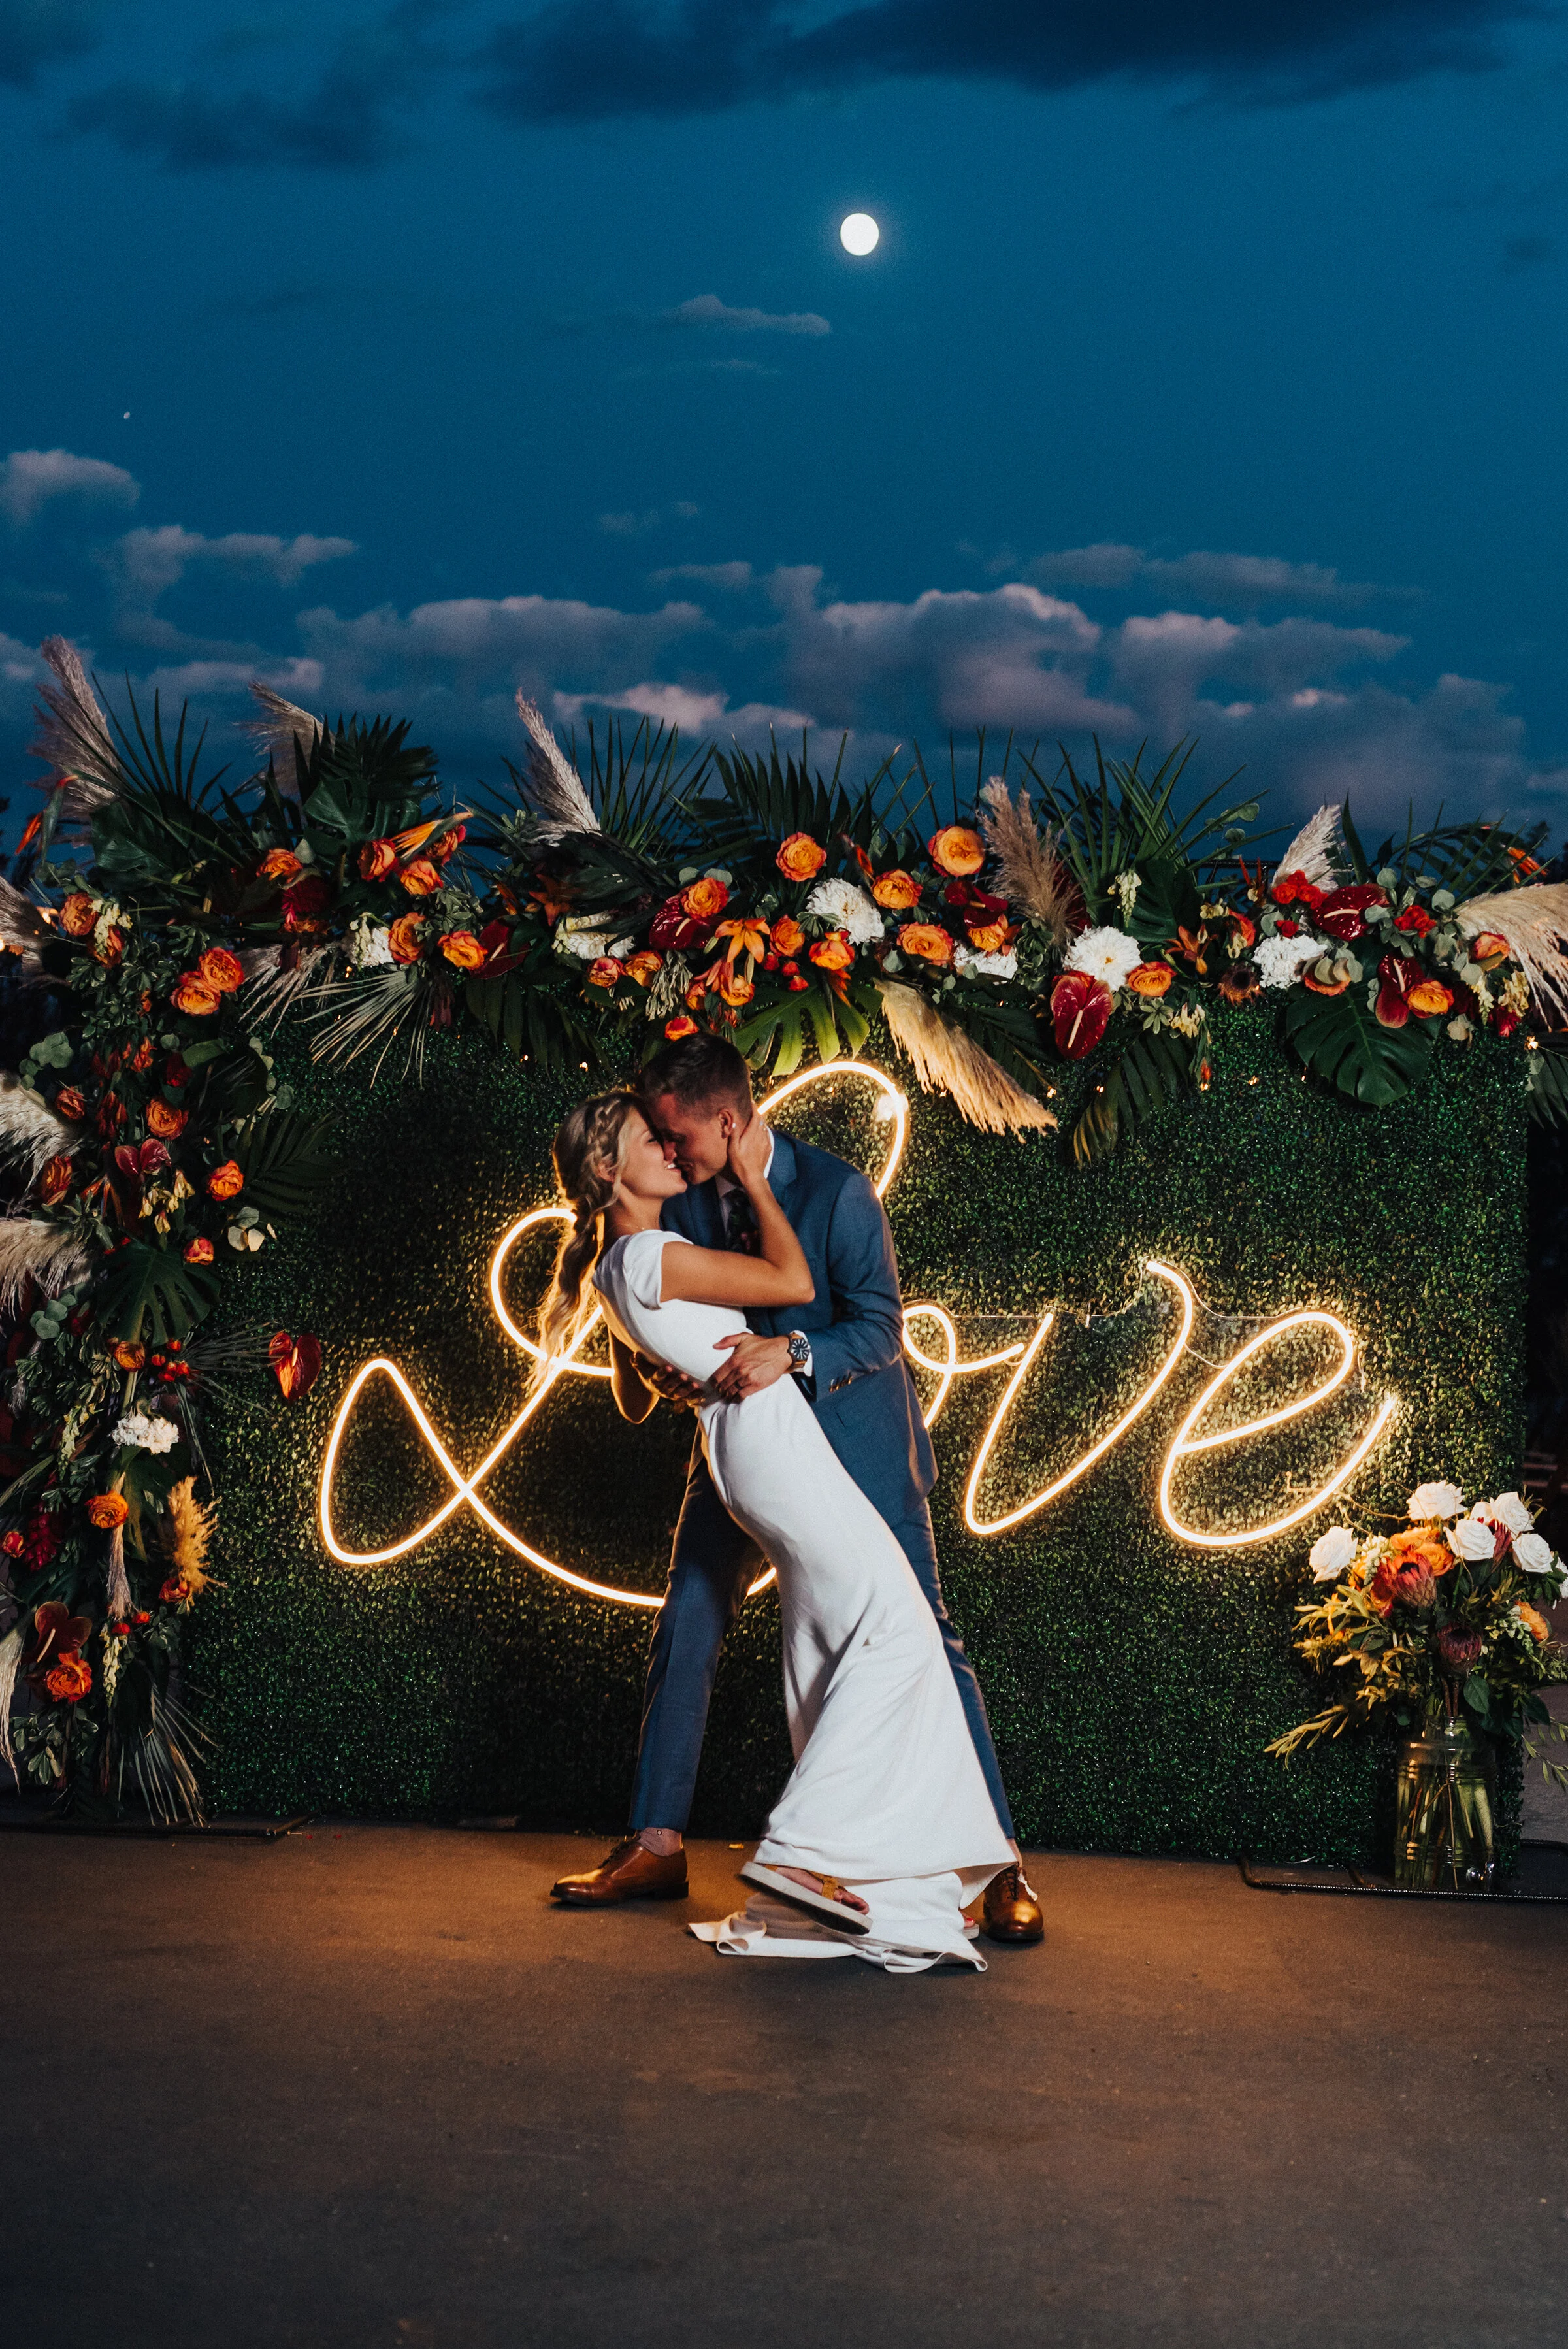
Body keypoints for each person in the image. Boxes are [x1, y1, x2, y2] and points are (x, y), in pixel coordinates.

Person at [548, 1034, 1043, 1946]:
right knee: (689, 1613)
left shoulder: (840, 1190)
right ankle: (658, 1840)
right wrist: (660, 1369)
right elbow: (648, 1318)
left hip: (855, 1450)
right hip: (746, 1452)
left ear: (728, 1122)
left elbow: (882, 1328)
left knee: (919, 1628)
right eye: (655, 1137)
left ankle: (996, 1860)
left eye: (678, 1136)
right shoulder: (676, 1201)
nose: (669, 1150)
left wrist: (797, 1351)